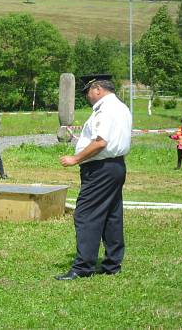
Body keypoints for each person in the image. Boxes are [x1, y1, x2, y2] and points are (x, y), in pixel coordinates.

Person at [56, 74, 131, 281]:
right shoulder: (122, 108)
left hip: (100, 169)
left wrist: (75, 158)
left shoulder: (105, 110)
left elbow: (100, 143)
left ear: (97, 89)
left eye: (88, 92)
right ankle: (112, 264)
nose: (88, 96)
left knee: (85, 215)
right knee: (111, 215)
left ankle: (83, 267)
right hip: (116, 166)